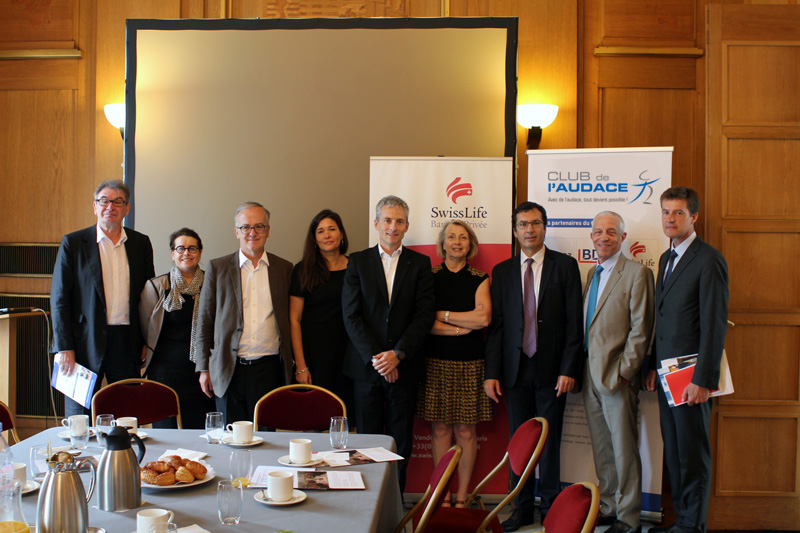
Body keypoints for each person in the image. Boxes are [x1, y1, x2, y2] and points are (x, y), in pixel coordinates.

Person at [484, 201, 583, 531]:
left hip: (553, 371)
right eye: (523, 224)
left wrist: (569, 368)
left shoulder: (565, 267)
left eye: (536, 223)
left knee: (550, 441)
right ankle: (521, 508)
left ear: (545, 227)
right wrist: (492, 373)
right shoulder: (503, 271)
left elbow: (574, 324)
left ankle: (553, 509)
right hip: (514, 371)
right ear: (515, 231)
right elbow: (497, 326)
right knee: (519, 442)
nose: (530, 229)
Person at [645, 187, 728, 533]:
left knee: (692, 455)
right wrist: (651, 364)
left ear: (694, 217)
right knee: (676, 452)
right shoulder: (666, 258)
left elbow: (714, 324)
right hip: (666, 375)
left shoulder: (708, 259)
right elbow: (662, 318)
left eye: (678, 213)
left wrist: (704, 380)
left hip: (692, 378)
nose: (670, 219)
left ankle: (693, 526)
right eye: (665, 212)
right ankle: (682, 520)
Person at [342, 195, 435, 493]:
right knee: (366, 444)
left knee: (400, 444)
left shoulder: (420, 264)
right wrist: (380, 359)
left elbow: (424, 315)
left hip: (404, 368)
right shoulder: (357, 262)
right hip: (366, 370)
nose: (392, 227)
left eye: (398, 221)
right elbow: (351, 316)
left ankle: (393, 509)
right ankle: (367, 506)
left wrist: (398, 354)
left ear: (407, 226)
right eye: (387, 220)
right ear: (376, 223)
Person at [51, 180, 155, 417]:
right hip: (82, 343)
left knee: (127, 413)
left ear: (127, 208)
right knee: (79, 416)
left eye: (118, 202)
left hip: (126, 341)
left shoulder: (140, 243)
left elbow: (148, 298)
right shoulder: (74, 243)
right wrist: (64, 346)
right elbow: (59, 298)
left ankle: (126, 455)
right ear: (95, 207)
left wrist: (145, 340)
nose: (111, 207)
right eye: (104, 201)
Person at [582, 211, 655, 533]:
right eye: (598, 232)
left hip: (617, 376)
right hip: (589, 375)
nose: (603, 237)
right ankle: (609, 506)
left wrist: (626, 372)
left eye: (611, 232)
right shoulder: (590, 273)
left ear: (622, 237)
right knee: (602, 446)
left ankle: (629, 518)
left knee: (624, 449)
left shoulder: (637, 273)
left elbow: (642, 328)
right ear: (591, 237)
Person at [195, 202, 293, 424]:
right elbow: (204, 321)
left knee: (267, 440)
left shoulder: (284, 269)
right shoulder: (217, 268)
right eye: (246, 227)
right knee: (231, 441)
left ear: (268, 230)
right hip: (229, 370)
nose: (252, 232)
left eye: (259, 226)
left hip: (270, 370)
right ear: (236, 231)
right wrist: (203, 368)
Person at [417, 220, 492, 507]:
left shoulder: (479, 277)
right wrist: (462, 324)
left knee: (465, 431)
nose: (457, 242)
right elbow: (424, 322)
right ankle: (442, 496)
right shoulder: (430, 276)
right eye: (451, 237)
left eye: (463, 237)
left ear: (470, 243)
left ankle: (461, 499)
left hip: (471, 363)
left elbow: (483, 319)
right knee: (440, 430)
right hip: (436, 362)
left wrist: (444, 316)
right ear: (443, 243)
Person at [139, 228, 216, 429]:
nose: (186, 253)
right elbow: (145, 326)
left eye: (192, 248)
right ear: (172, 253)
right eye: (180, 248)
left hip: (201, 369)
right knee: (165, 429)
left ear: (200, 252)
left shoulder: (212, 284)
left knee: (199, 428)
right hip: (164, 370)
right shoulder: (156, 286)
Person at [289, 209, 352, 408]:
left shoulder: (356, 268)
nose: (327, 235)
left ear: (341, 234)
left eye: (332, 229)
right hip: (314, 356)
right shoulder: (303, 269)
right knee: (314, 418)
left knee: (346, 418)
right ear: (314, 239)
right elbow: (294, 319)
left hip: (348, 355)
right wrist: (300, 365)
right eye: (320, 231)